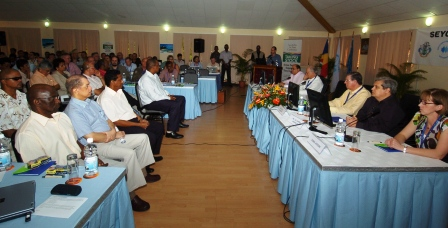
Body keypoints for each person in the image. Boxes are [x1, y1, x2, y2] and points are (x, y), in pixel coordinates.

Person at [64, 75, 160, 212]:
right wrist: (112, 134)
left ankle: (143, 173)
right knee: (129, 153)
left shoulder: (90, 102)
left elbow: (108, 119)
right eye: (87, 85)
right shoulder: (74, 111)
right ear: (75, 90)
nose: (91, 87)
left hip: (110, 135)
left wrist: (113, 131)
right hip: (96, 146)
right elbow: (90, 136)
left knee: (143, 138)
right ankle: (131, 195)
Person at [97, 70, 164, 162]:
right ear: (113, 82)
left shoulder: (120, 92)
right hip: (122, 126)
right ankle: (143, 165)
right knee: (149, 136)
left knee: (158, 127)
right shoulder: (106, 98)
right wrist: (138, 125)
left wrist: (140, 119)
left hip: (132, 120)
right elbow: (116, 121)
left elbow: (129, 109)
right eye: (120, 80)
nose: (122, 81)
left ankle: (150, 155)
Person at [385, 88, 448, 163]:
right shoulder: (419, 116)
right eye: (421, 101)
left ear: (439, 107)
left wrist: (403, 148)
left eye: (425, 103)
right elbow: (403, 135)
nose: (419, 105)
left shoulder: (445, 124)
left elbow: (438, 154)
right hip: (419, 160)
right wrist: (395, 142)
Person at [138, 59, 189, 139]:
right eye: (158, 65)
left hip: (158, 99)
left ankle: (178, 121)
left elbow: (161, 89)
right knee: (174, 105)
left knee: (181, 99)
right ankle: (170, 131)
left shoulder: (154, 76)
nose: (160, 67)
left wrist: (167, 94)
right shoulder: (145, 79)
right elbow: (154, 97)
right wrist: (168, 98)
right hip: (150, 103)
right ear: (153, 67)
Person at [0, 69, 30, 161]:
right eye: (16, 78)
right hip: (9, 147)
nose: (20, 80)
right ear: (4, 81)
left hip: (28, 139)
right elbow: (8, 132)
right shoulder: (1, 100)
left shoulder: (23, 96)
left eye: (20, 78)